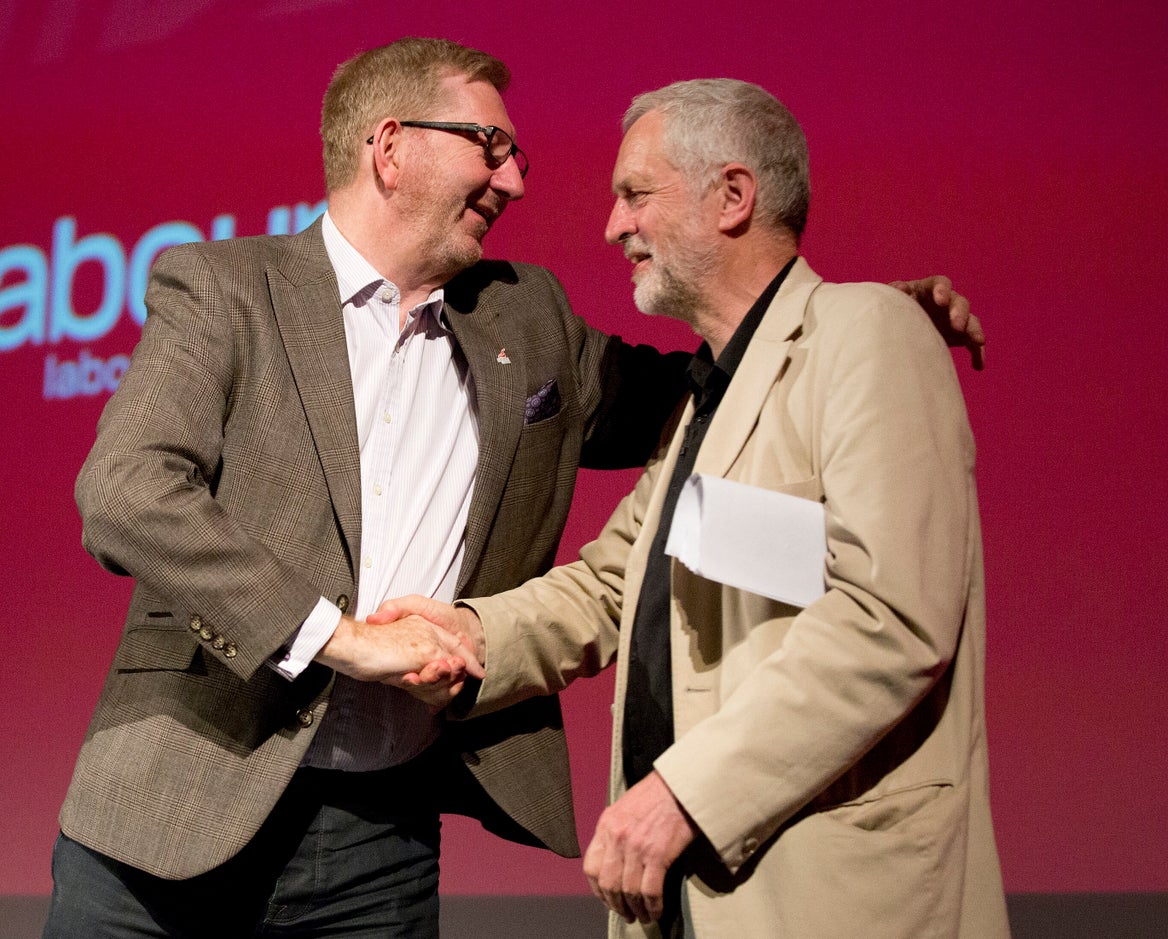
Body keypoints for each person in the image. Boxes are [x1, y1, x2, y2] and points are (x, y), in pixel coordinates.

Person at [44, 36, 984, 939]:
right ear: (390, 147)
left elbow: (726, 382)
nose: (518, 181)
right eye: (491, 146)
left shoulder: (524, 314)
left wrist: (863, 316)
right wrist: (341, 639)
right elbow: (128, 490)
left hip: (384, 832)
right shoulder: (225, 287)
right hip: (180, 803)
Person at [384, 79, 1010, 938]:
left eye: (637, 194)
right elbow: (615, 585)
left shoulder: (868, 334)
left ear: (733, 197)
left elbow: (890, 615)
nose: (613, 225)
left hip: (827, 896)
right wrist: (463, 636)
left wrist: (683, 795)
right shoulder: (703, 400)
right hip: (690, 895)